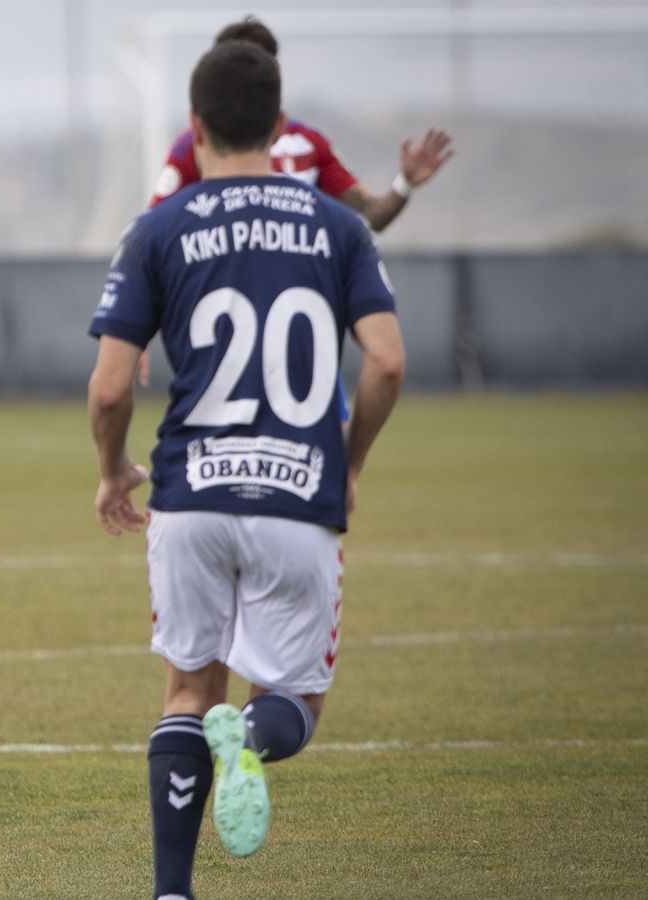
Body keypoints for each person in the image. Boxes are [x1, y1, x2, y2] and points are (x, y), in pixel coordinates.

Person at [87, 40, 405, 900]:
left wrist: (116, 470)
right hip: (298, 494)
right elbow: (386, 363)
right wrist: (351, 461)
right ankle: (253, 740)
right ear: (280, 121)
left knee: (187, 688)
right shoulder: (335, 227)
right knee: (295, 701)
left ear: (194, 127)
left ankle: (171, 892)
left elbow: (111, 386)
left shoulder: (158, 228)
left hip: (189, 492)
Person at [137, 14, 448, 388]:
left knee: (326, 426)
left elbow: (371, 215)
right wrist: (136, 323)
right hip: (224, 340)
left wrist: (404, 185)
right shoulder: (194, 147)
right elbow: (149, 239)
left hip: (301, 343)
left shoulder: (308, 144)